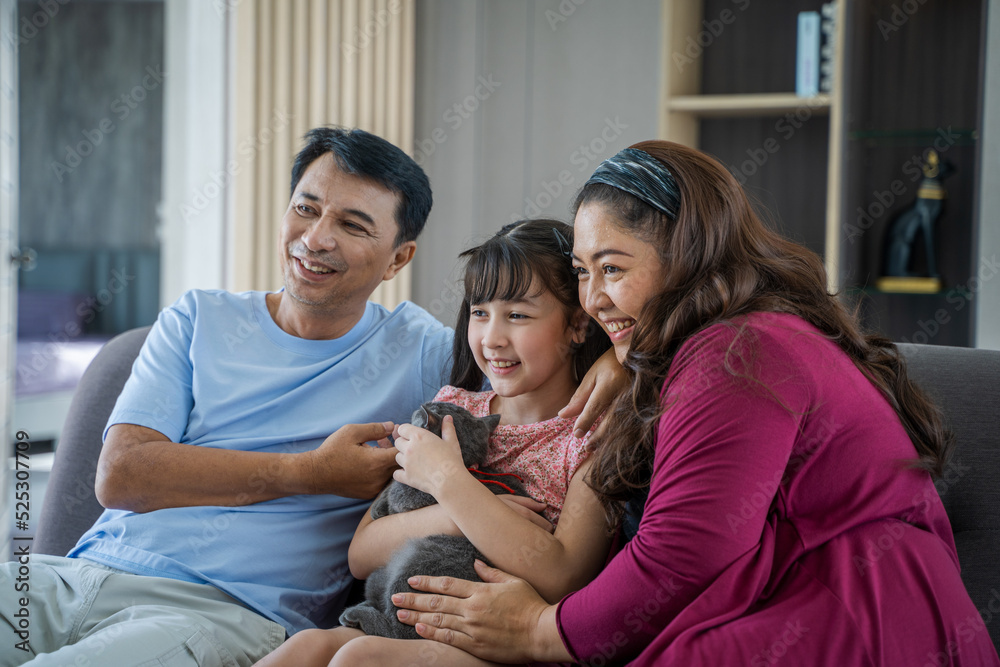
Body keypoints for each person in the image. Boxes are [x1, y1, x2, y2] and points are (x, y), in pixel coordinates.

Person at [0, 128, 619, 667]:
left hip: (225, 612)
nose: (315, 238)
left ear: (397, 258)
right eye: (307, 208)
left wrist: (620, 362)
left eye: (352, 225)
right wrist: (312, 473)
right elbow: (122, 475)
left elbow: (538, 364)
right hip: (69, 577)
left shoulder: (430, 355)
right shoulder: (196, 319)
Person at [385, 141, 1000, 666]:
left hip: (857, 619)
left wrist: (538, 632)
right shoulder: (733, 336)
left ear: (686, 255)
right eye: (581, 271)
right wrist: (621, 357)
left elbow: (683, 556)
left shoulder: (740, 352)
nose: (594, 298)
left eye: (613, 269)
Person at [255, 219, 615, 667]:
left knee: (360, 659)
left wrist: (449, 481)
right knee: (306, 647)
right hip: (399, 616)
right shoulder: (451, 410)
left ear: (578, 325)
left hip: (501, 642)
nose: (492, 337)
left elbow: (563, 575)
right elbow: (362, 554)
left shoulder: (592, 437)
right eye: (480, 313)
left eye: (518, 315)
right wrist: (451, 516)